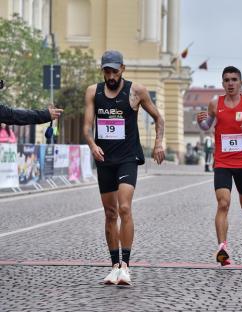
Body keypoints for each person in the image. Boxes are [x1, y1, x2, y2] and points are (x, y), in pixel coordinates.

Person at [83, 50, 165, 285]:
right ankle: (114, 266)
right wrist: (92, 145)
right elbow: (87, 126)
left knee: (125, 208)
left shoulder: (136, 91)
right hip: (105, 159)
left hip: (128, 157)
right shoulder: (93, 92)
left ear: (123, 69)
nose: (110, 76)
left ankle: (126, 266)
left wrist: (158, 143)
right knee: (110, 214)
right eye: (106, 71)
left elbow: (159, 118)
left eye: (114, 71)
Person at [196, 66, 242, 266]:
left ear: (241, 83)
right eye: (226, 80)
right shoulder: (214, 103)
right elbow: (206, 126)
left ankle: (224, 244)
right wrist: (200, 121)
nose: (230, 83)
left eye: (234, 80)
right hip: (223, 162)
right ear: (222, 83)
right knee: (223, 203)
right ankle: (222, 248)